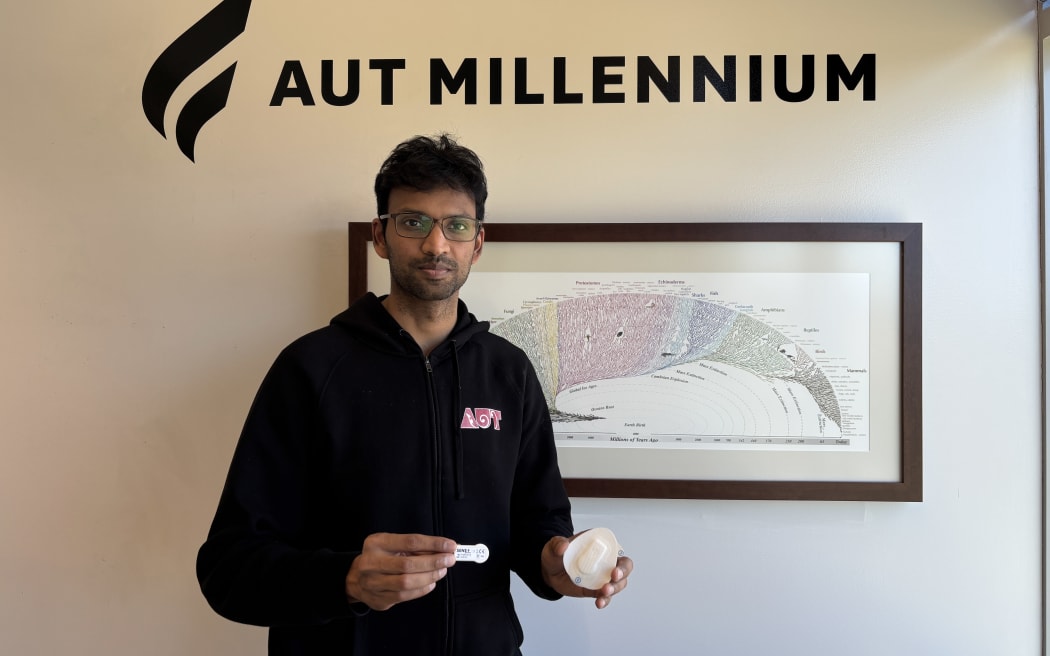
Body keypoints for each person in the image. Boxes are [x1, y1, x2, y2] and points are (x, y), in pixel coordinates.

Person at [196, 134, 633, 655]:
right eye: (413, 222)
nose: (436, 244)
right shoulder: (310, 369)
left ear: (478, 241)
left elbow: (537, 521)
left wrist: (559, 565)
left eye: (456, 225)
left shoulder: (508, 372)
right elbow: (229, 567)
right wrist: (347, 579)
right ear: (380, 235)